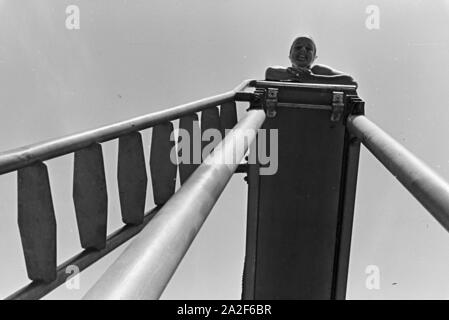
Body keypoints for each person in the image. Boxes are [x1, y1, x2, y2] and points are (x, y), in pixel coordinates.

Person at [265, 36, 357, 86]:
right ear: (290, 55)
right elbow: (270, 72)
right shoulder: (282, 71)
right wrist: (298, 76)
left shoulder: (318, 70)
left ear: (314, 58)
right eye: (298, 47)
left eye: (309, 48)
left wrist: (312, 78)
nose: (303, 50)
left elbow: (351, 81)